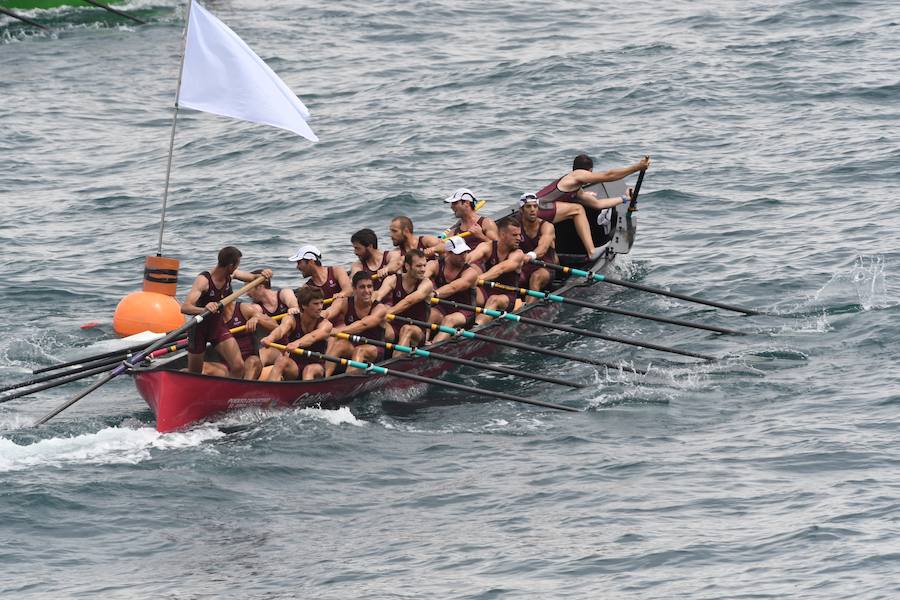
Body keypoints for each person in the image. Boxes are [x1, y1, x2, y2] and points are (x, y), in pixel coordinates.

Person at [180, 246, 273, 378]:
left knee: (238, 366)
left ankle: (230, 394)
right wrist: (204, 309)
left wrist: (264, 274)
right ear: (230, 265)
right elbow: (185, 307)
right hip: (198, 329)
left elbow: (252, 277)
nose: (236, 269)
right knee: (194, 373)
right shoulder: (204, 281)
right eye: (236, 265)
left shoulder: (231, 274)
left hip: (217, 327)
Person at [535, 154, 650, 259]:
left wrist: (624, 198)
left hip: (535, 211)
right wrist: (637, 167)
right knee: (578, 209)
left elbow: (597, 204)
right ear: (589, 171)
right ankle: (592, 252)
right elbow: (608, 175)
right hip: (537, 209)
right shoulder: (577, 175)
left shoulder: (575, 188)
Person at [322, 271, 389, 376]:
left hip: (375, 349)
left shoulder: (379, 308)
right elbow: (327, 313)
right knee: (339, 344)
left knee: (360, 350)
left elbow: (363, 324)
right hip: (353, 345)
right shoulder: (344, 303)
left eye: (369, 286)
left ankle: (347, 382)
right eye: (362, 287)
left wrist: (337, 331)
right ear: (354, 289)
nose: (367, 291)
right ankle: (324, 379)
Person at [261, 287, 332, 381]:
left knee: (309, 369)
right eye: (315, 304)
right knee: (281, 361)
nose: (320, 307)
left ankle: (306, 393)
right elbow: (281, 330)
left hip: (317, 366)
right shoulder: (291, 319)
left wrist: (297, 343)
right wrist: (270, 338)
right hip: (295, 367)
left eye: (321, 303)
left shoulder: (326, 324)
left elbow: (312, 337)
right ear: (304, 306)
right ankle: (270, 392)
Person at [466, 215, 526, 325]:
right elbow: (469, 258)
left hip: (507, 297)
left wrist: (478, 279)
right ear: (502, 235)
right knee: (467, 291)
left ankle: (476, 328)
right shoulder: (486, 246)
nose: (519, 238)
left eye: (519, 235)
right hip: (486, 292)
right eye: (514, 235)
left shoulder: (518, 254)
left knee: (494, 299)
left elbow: (500, 269)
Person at [375, 249, 434, 348]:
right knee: (376, 326)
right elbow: (378, 295)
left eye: (424, 265)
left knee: (407, 329)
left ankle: (396, 362)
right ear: (407, 266)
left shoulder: (426, 284)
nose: (423, 269)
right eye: (419, 266)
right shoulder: (392, 279)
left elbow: (409, 301)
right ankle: (378, 356)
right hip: (396, 325)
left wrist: (389, 312)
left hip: (417, 330)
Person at [203, 301, 278, 379]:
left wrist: (258, 319)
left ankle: (244, 388)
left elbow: (276, 327)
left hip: (249, 364)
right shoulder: (209, 317)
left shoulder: (243, 309)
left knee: (253, 361)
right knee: (203, 367)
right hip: (226, 368)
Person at [428, 236, 481, 344]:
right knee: (428, 315)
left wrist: (434, 294)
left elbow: (453, 287)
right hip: (442, 307)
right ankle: (422, 344)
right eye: (460, 253)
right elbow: (421, 277)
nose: (464, 257)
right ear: (448, 253)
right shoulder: (435, 265)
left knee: (449, 320)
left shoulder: (470, 272)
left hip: (465, 311)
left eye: (465, 252)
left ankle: (433, 347)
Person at [517, 193, 558, 301]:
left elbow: (543, 248)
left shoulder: (547, 226)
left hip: (546, 267)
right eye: (528, 207)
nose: (532, 210)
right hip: (525, 266)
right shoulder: (516, 226)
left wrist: (530, 256)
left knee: (536, 278)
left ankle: (527, 311)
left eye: (535, 206)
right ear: (521, 210)